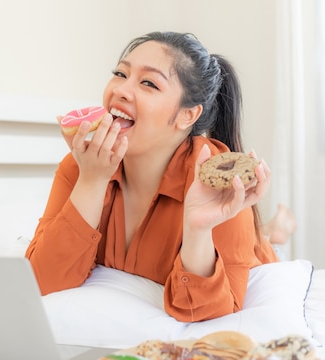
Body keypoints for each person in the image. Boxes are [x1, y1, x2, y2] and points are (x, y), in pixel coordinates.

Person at [25, 32, 280, 323]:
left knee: (269, 243)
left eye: (149, 83)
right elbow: (41, 282)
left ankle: (275, 232)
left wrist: (198, 231)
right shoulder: (84, 166)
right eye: (120, 73)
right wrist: (92, 182)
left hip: (249, 251)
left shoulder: (217, 185)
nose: (121, 90)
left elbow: (211, 315)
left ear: (187, 115)